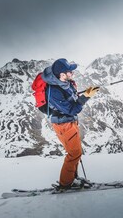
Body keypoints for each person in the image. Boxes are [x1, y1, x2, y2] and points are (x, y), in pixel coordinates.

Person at [41, 58, 99, 190]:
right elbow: (72, 109)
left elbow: (70, 99)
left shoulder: (65, 83)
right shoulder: (54, 92)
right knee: (74, 153)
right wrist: (86, 97)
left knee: (76, 152)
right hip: (63, 125)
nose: (72, 73)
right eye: (69, 72)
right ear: (62, 75)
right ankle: (65, 184)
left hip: (69, 122)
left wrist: (84, 94)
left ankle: (72, 179)